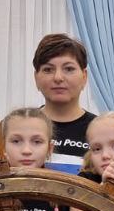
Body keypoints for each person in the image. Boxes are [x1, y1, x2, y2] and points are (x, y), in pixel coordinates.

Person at [31, 33, 96, 174]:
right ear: (36, 78)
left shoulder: (104, 131)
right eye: (48, 69)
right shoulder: (13, 128)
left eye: (69, 69)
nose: (58, 78)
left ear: (84, 76)